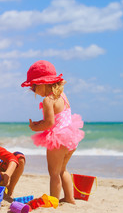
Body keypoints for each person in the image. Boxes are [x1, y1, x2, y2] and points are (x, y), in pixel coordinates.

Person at [21, 60, 84, 204]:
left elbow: (50, 123)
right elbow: (57, 116)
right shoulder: (62, 95)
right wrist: (40, 122)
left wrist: (35, 127)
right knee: (63, 170)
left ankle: (54, 201)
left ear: (42, 83)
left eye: (33, 87)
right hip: (70, 136)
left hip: (58, 139)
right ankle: (69, 198)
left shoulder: (48, 101)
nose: (32, 91)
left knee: (54, 173)